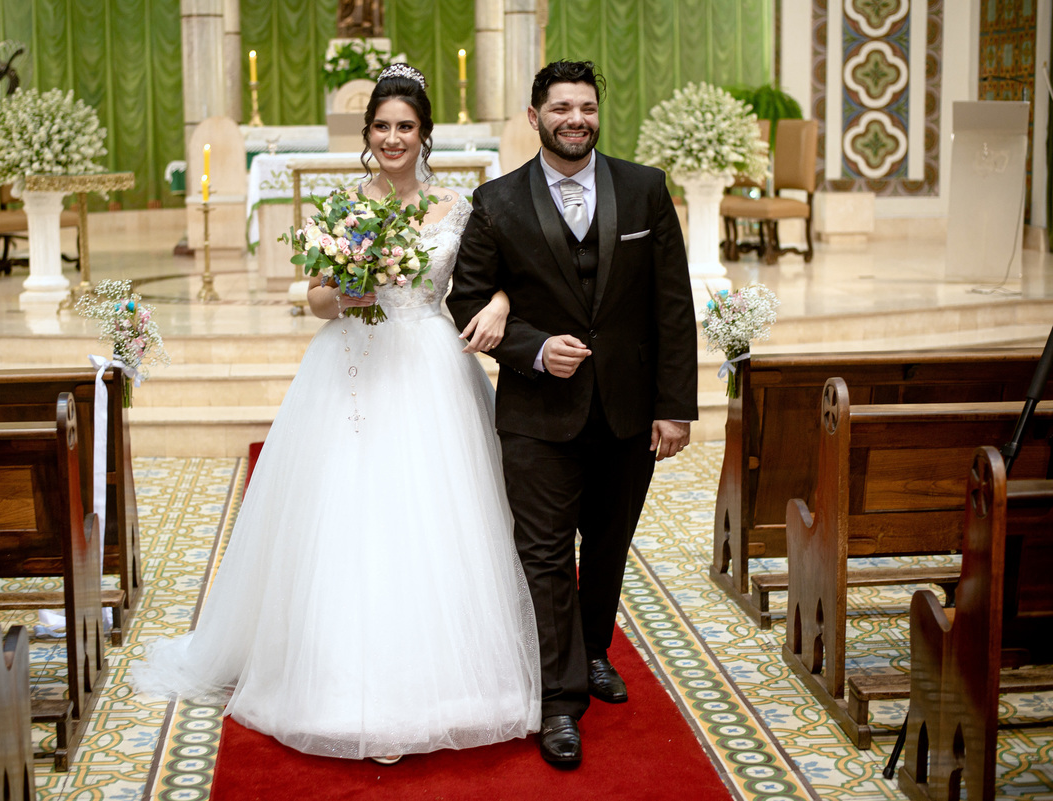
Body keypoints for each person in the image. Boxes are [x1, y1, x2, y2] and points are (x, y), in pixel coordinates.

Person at [132, 63, 540, 764]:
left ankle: (445, 678)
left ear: (425, 133)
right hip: (350, 363)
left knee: (438, 507)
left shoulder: (460, 205)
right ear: (367, 133)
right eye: (381, 126)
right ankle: (339, 677)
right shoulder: (344, 204)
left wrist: (501, 302)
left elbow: (490, 281)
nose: (392, 138)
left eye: (404, 126)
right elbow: (316, 297)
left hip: (431, 363)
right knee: (347, 508)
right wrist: (347, 293)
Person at [448, 60, 698, 769]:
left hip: (628, 409)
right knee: (547, 555)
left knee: (609, 546)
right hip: (537, 414)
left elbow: (672, 304)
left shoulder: (645, 189)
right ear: (535, 117)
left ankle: (592, 652)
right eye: (561, 108)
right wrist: (530, 347)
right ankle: (559, 703)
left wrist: (675, 407)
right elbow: (466, 300)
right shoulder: (496, 202)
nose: (576, 119)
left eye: (586, 107)